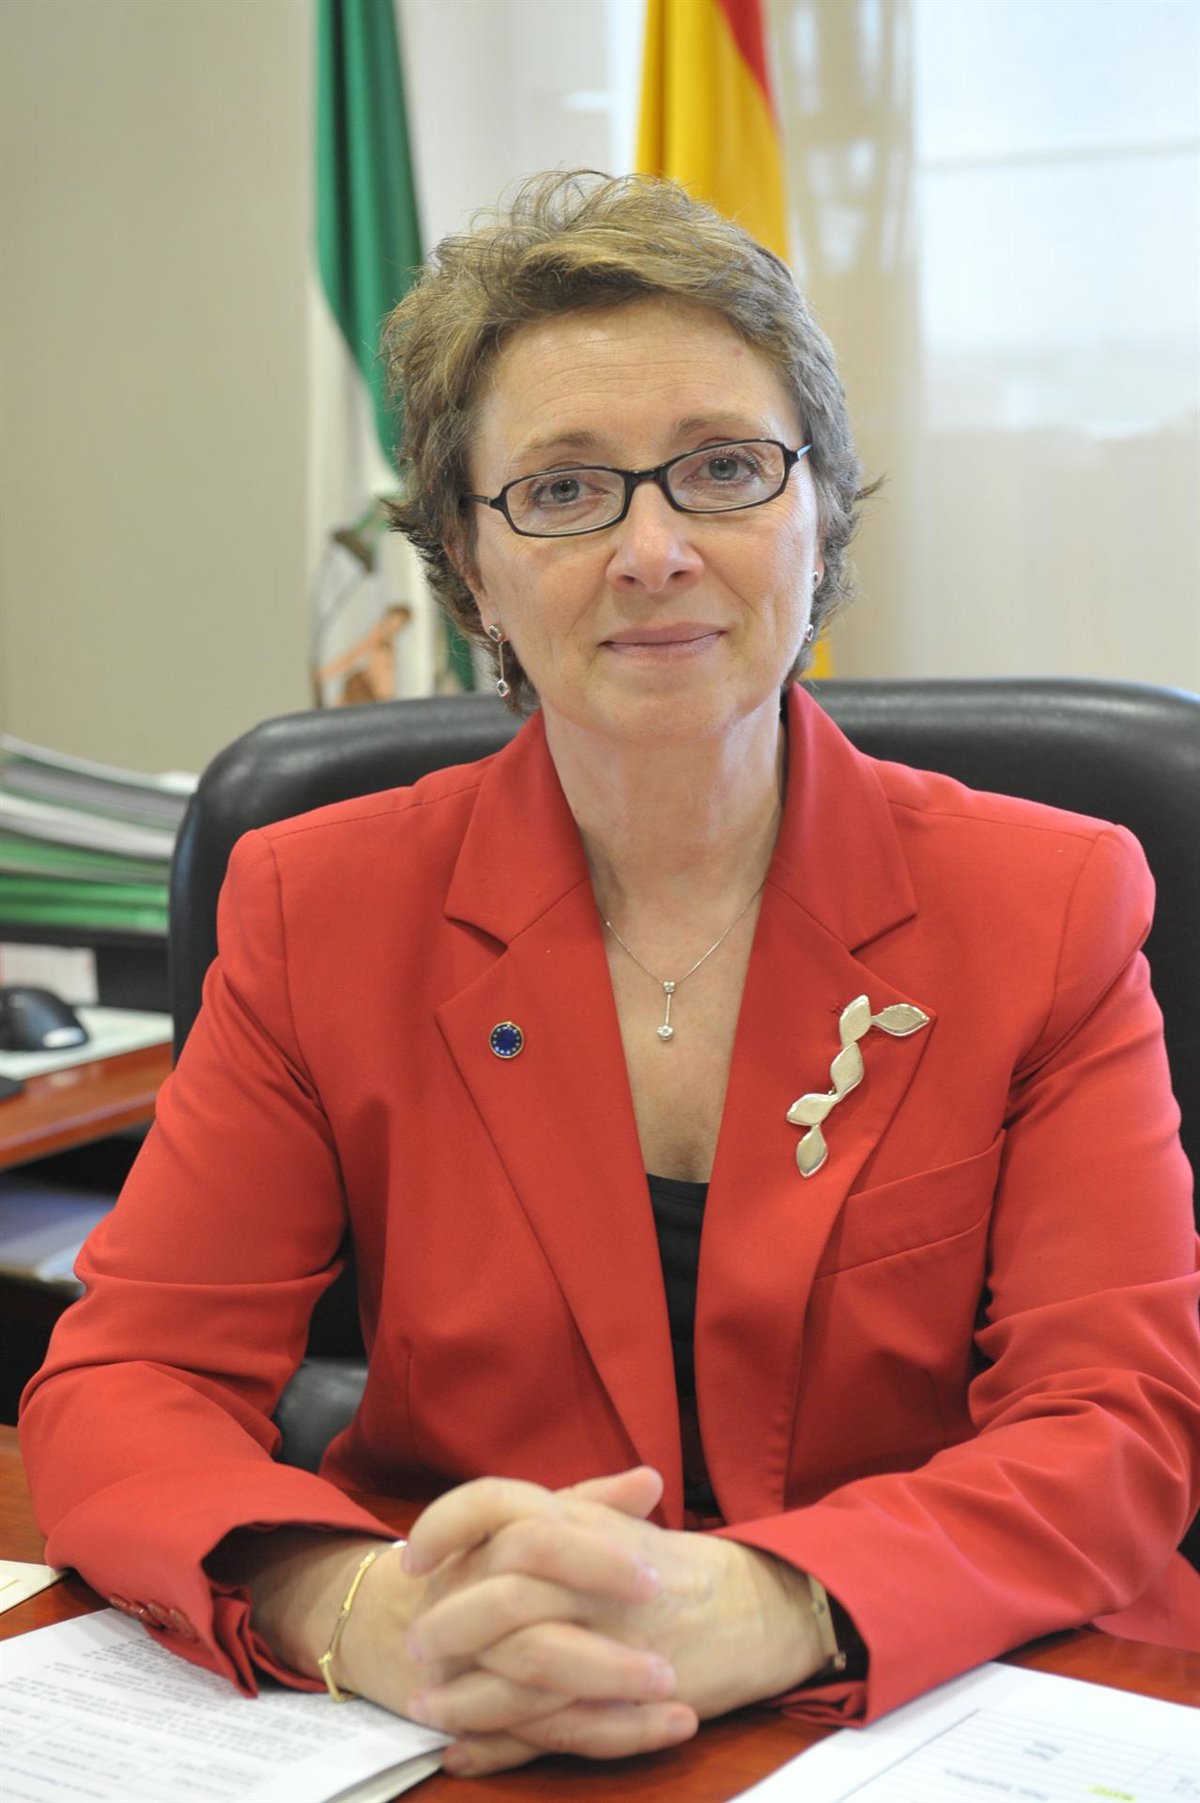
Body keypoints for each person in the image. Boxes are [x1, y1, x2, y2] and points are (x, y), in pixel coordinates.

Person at [20, 171, 1200, 1780]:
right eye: (566, 490)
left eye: (723, 469)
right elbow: (133, 1378)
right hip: (473, 1712)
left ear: (818, 511)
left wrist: (774, 1598)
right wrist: (357, 1607)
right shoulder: (319, 905)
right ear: (467, 563)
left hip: (945, 1696)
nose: (655, 550)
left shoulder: (1041, 902)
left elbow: (1116, 1419)